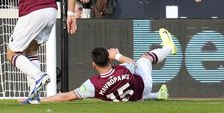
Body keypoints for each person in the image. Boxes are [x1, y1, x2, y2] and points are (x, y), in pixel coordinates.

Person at [26, 29, 176, 103]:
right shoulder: (123, 69)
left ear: (93, 65)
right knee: (145, 58)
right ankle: (168, 48)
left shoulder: (92, 84)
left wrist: (38, 100)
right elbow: (133, 63)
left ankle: (156, 95)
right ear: (109, 61)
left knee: (129, 87)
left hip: (132, 100)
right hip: (143, 88)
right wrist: (117, 55)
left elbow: (66, 96)